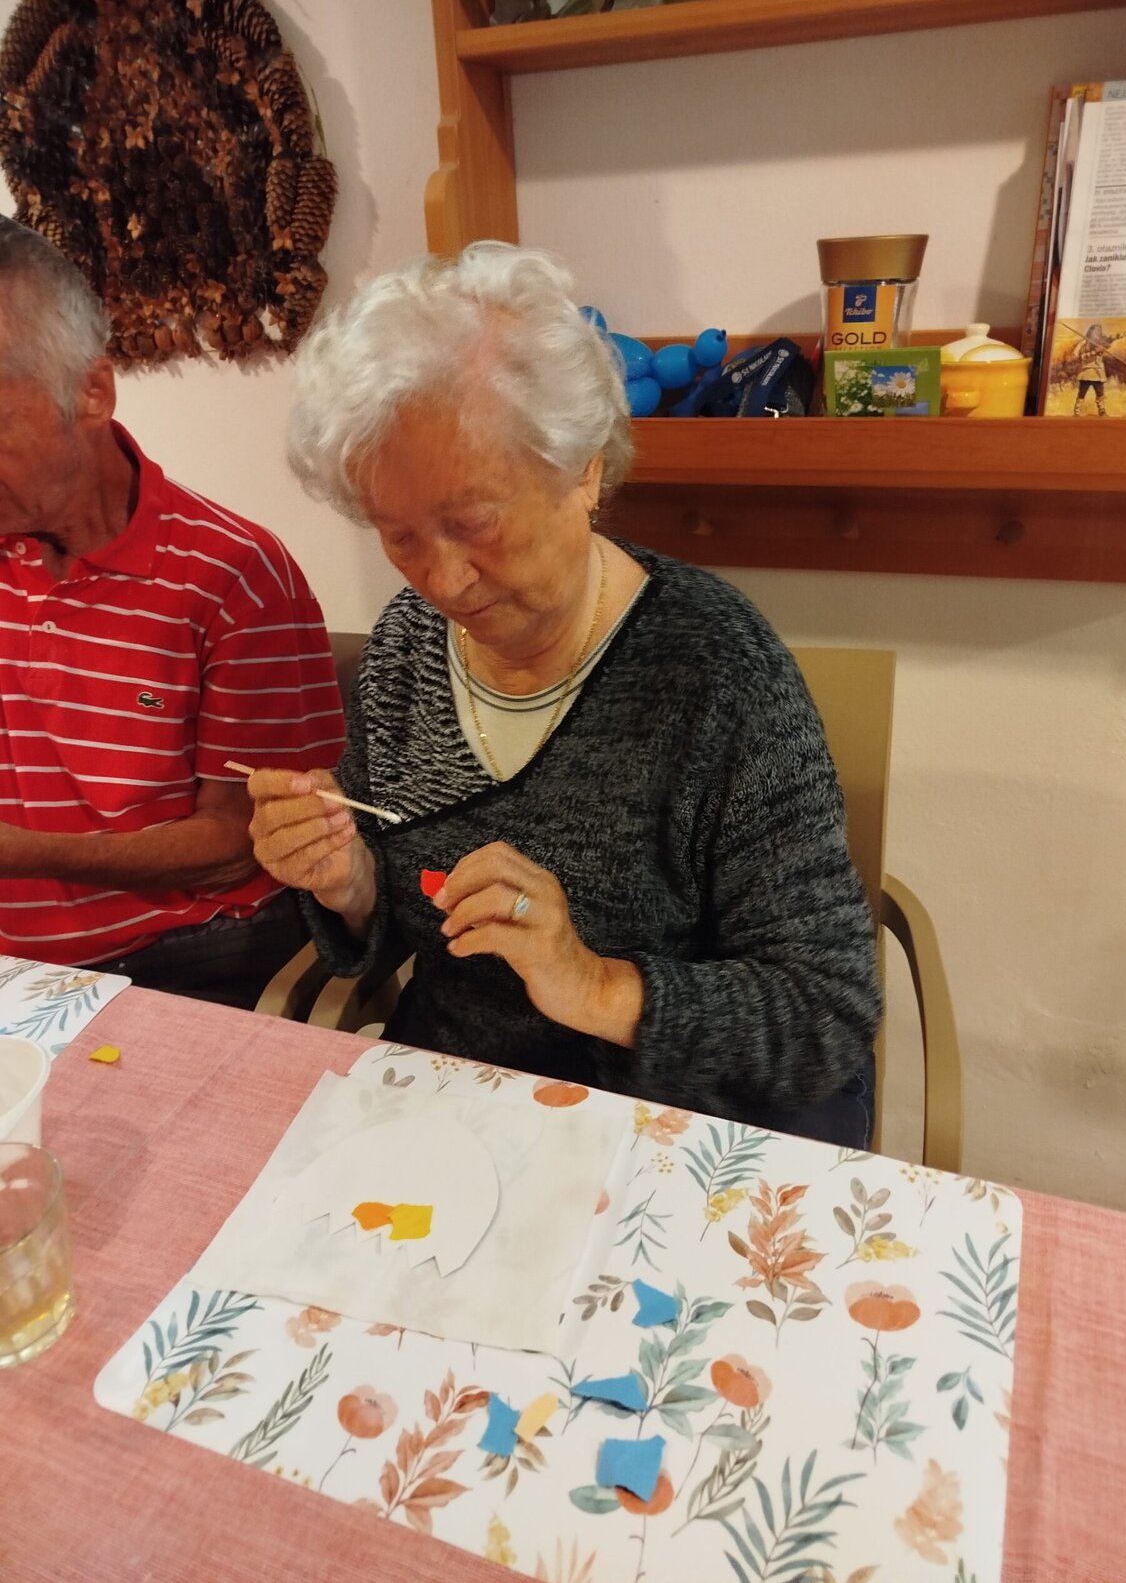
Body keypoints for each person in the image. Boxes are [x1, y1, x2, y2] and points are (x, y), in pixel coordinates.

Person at [247, 242, 881, 1143]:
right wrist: (347, 879)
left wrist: (591, 983)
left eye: (474, 522)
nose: (443, 581)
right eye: (400, 535)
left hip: (658, 1130)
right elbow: (393, 908)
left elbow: (825, 1013)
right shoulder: (407, 645)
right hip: (461, 1109)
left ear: (583, 469)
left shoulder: (717, 672)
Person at [0, 217, 344, 1009]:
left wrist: (21, 853)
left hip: (179, 956)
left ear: (91, 392)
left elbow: (234, 846)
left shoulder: (234, 577)